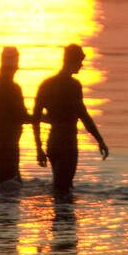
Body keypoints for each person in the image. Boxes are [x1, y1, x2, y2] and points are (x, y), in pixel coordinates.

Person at [33, 44, 109, 196]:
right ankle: (64, 219)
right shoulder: (73, 85)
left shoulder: (46, 84)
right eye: (80, 61)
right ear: (72, 61)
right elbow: (84, 116)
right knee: (64, 190)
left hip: (52, 142)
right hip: (67, 142)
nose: (81, 65)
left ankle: (59, 218)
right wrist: (99, 140)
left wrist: (39, 148)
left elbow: (35, 118)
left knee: (60, 186)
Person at [0, 47, 33, 183]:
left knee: (5, 184)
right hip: (7, 147)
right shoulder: (12, 88)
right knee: (11, 186)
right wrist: (43, 117)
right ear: (15, 65)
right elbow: (22, 117)